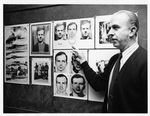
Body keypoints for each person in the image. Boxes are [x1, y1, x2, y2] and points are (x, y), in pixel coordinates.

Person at [72, 10, 147, 113]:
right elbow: (98, 84)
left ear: (132, 31)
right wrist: (83, 61)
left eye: (115, 28)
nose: (109, 33)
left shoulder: (146, 61)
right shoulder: (114, 59)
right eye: (109, 28)